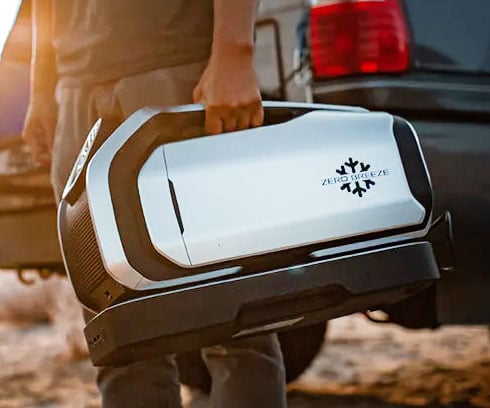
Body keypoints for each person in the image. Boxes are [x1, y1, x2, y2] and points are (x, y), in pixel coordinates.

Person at [22, 1, 287, 407]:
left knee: (233, 319)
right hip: (76, 85)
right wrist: (41, 87)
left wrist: (234, 52)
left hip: (176, 66)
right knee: (118, 331)